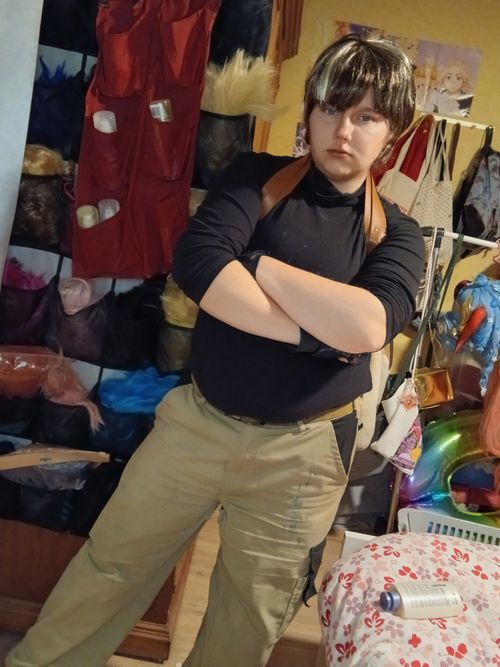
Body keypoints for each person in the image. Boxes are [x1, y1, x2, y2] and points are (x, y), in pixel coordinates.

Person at [7, 33, 425, 667]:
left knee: (247, 620)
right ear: (310, 111)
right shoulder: (255, 177)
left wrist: (259, 265)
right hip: (199, 424)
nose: (344, 130)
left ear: (391, 132)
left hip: (303, 455)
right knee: (110, 567)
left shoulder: (398, 233)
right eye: (332, 108)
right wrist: (319, 335)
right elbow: (201, 264)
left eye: (367, 116)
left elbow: (371, 324)